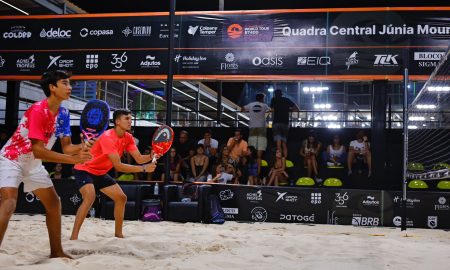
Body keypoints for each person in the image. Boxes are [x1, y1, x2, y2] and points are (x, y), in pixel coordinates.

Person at [0, 70, 92, 258]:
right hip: (12, 158)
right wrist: (74, 160)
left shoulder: (64, 113)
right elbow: (39, 150)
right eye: (65, 83)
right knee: (9, 203)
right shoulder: (38, 110)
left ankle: (57, 252)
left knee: (54, 204)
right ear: (52, 87)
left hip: (33, 164)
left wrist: (84, 145)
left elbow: (66, 148)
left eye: (69, 83)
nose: (70, 87)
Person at [70, 109, 157, 240]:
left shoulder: (128, 137)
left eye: (130, 118)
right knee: (90, 197)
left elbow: (139, 158)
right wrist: (144, 169)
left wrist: (151, 155)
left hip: (100, 172)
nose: (130, 121)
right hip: (84, 169)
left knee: (121, 198)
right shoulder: (107, 137)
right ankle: (74, 237)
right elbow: (118, 166)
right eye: (126, 118)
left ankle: (118, 234)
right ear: (117, 121)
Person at [242, 93, 270, 177]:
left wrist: (250, 112)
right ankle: (257, 174)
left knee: (251, 154)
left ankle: (250, 174)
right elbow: (271, 111)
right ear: (262, 99)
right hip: (261, 130)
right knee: (259, 156)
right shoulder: (264, 105)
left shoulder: (251, 104)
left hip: (253, 129)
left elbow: (241, 109)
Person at [270, 89, 299, 158]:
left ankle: (279, 160)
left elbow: (272, 110)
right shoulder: (286, 100)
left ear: (275, 94)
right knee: (284, 143)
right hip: (285, 123)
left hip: (276, 123)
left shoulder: (273, 100)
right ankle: (284, 160)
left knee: (278, 143)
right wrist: (289, 110)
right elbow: (297, 108)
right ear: (281, 94)